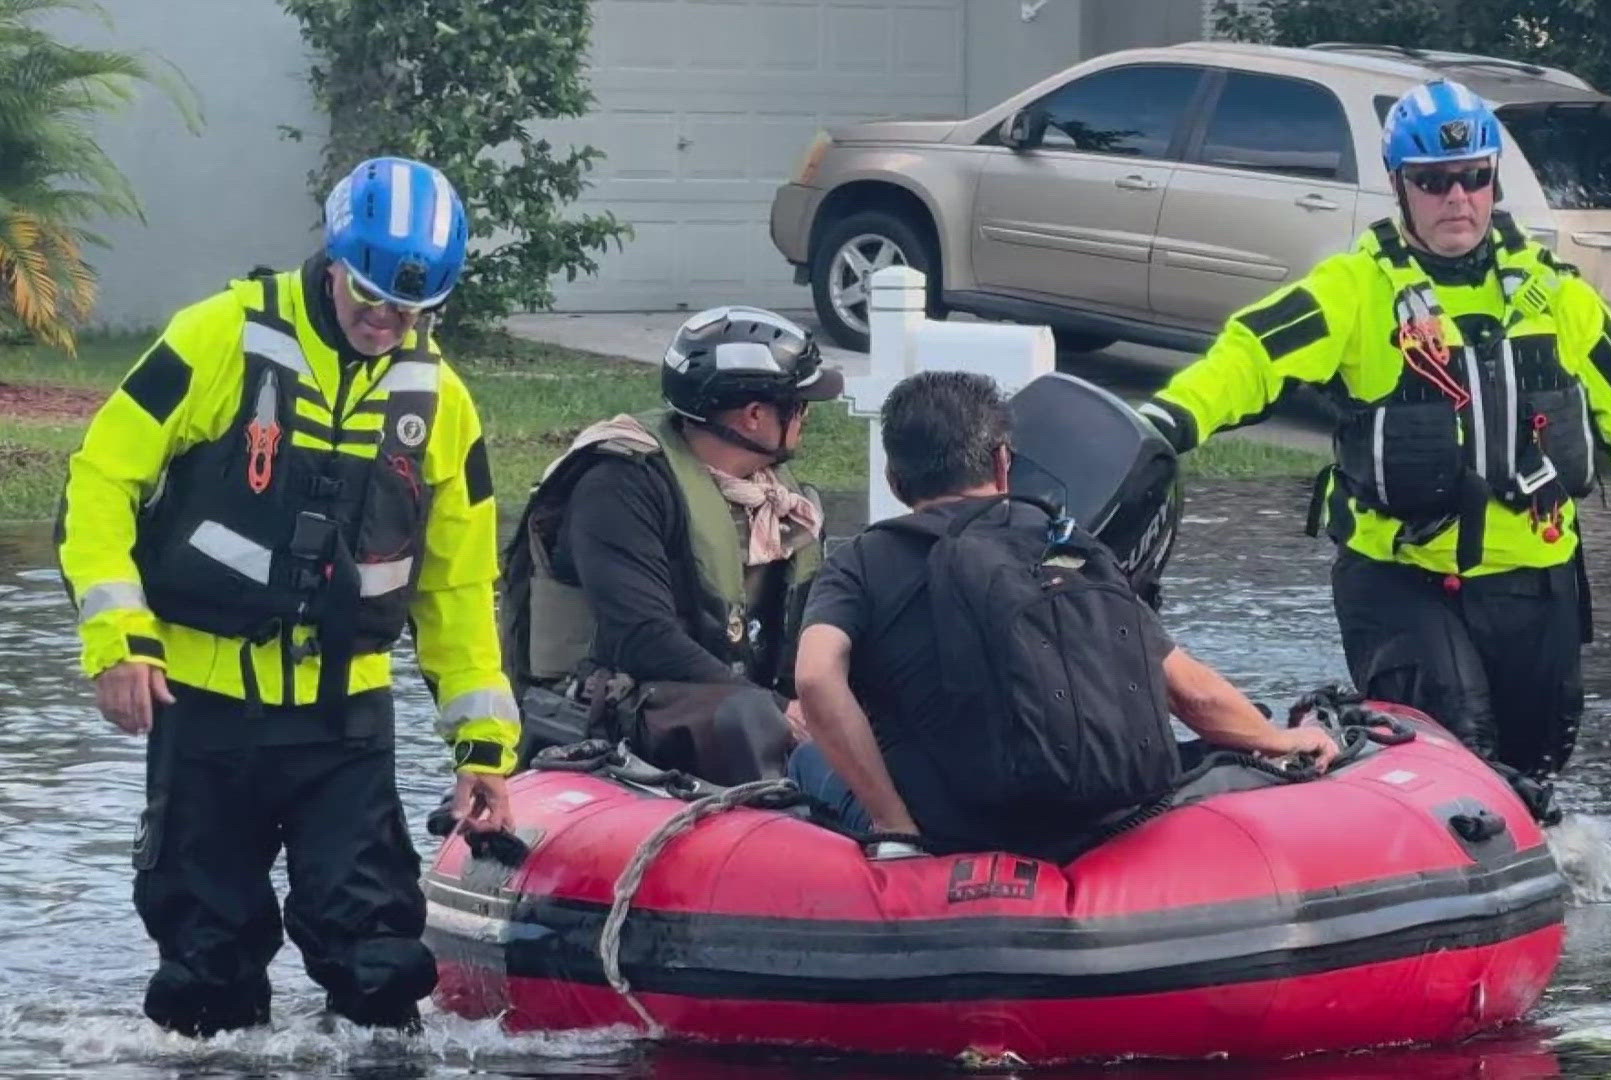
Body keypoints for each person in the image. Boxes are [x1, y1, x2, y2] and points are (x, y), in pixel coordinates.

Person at [1133, 79, 1611, 818]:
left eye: (1473, 177)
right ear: (1401, 186)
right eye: (1433, 182)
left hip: (1534, 578)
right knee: (1453, 748)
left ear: (1493, 180)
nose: (1457, 198)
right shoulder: (1354, 288)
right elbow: (1252, 355)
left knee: (1537, 764)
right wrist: (1167, 422)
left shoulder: (1553, 294)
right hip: (1400, 579)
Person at [55, 157, 520, 1037]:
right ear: (335, 260)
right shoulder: (219, 336)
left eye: (414, 310)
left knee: (380, 966)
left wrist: (484, 745)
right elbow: (99, 481)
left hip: (345, 720)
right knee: (208, 972)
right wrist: (118, 638)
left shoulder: (442, 403)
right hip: (203, 711)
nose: (388, 324)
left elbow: (459, 586)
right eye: (372, 299)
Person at [789, 371, 1338, 856]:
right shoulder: (1069, 547)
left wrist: (894, 825)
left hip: (952, 827)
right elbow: (1188, 689)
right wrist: (1278, 739)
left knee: (805, 760)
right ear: (1003, 461)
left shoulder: (861, 561)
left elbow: (815, 677)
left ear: (894, 479)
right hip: (1099, 813)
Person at [500, 306, 844, 785]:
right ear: (754, 416)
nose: (805, 416)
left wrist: (815, 701)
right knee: (748, 717)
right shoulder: (619, 485)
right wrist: (774, 707)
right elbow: (641, 638)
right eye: (799, 404)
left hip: (724, 696)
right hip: (619, 707)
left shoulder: (781, 502)